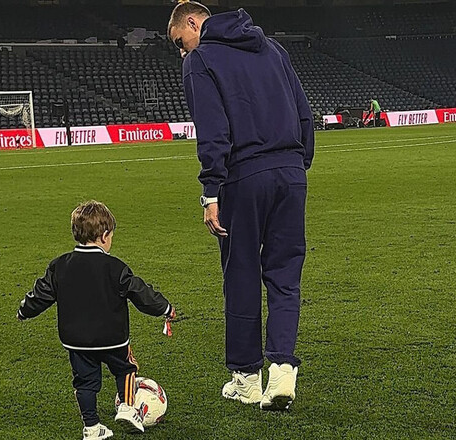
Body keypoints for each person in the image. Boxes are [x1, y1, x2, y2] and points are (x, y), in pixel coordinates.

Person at [167, 1, 314, 411]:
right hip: (290, 173)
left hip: (242, 178)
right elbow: (304, 114)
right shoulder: (273, 49)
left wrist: (210, 191)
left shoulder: (201, 60)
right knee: (285, 275)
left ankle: (247, 378)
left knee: (242, 274)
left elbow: (213, 131)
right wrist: (297, 165)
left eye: (181, 41)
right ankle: (283, 371)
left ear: (193, 23)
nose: (183, 51)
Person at [16, 200, 176, 439]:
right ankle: (126, 407)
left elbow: (41, 294)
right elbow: (140, 292)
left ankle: (91, 427)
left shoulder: (59, 266)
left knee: (85, 383)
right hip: (113, 338)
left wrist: (24, 310)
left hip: (77, 341)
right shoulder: (115, 267)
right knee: (126, 368)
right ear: (104, 236)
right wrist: (165, 308)